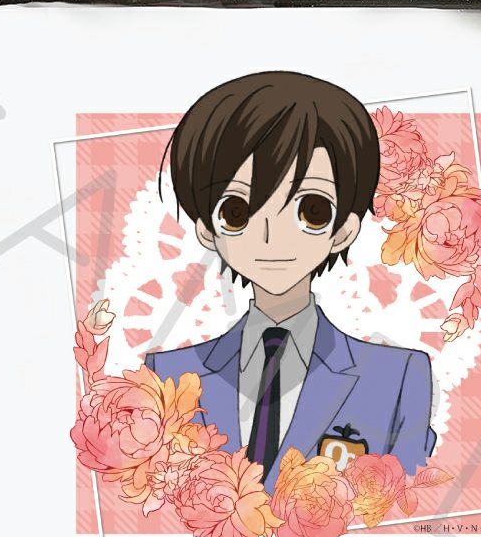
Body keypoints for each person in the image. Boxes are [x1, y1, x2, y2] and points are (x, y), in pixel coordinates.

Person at [146, 71, 435, 492]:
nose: (271, 237)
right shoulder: (167, 377)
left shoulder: (397, 378)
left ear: (345, 228)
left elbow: (410, 509)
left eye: (311, 211)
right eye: (237, 212)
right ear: (206, 229)